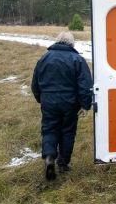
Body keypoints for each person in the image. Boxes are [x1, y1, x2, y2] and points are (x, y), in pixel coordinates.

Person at [31, 31, 92, 180]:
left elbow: (35, 83)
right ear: (72, 44)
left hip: (48, 101)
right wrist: (85, 104)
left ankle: (49, 158)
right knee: (68, 131)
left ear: (57, 41)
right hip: (70, 103)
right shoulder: (77, 59)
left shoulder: (44, 58)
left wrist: (41, 99)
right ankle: (63, 164)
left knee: (49, 129)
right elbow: (85, 84)